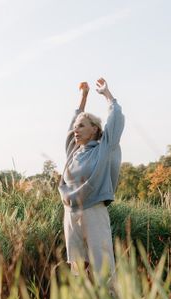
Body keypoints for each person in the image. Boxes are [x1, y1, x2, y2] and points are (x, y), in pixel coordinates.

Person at [58, 78, 125, 281]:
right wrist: (83, 97)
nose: (76, 130)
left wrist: (107, 95)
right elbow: (72, 122)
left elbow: (116, 121)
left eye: (82, 126)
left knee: (102, 264)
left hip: (94, 210)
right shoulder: (73, 150)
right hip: (70, 212)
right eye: (76, 127)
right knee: (77, 266)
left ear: (94, 129)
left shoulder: (103, 149)